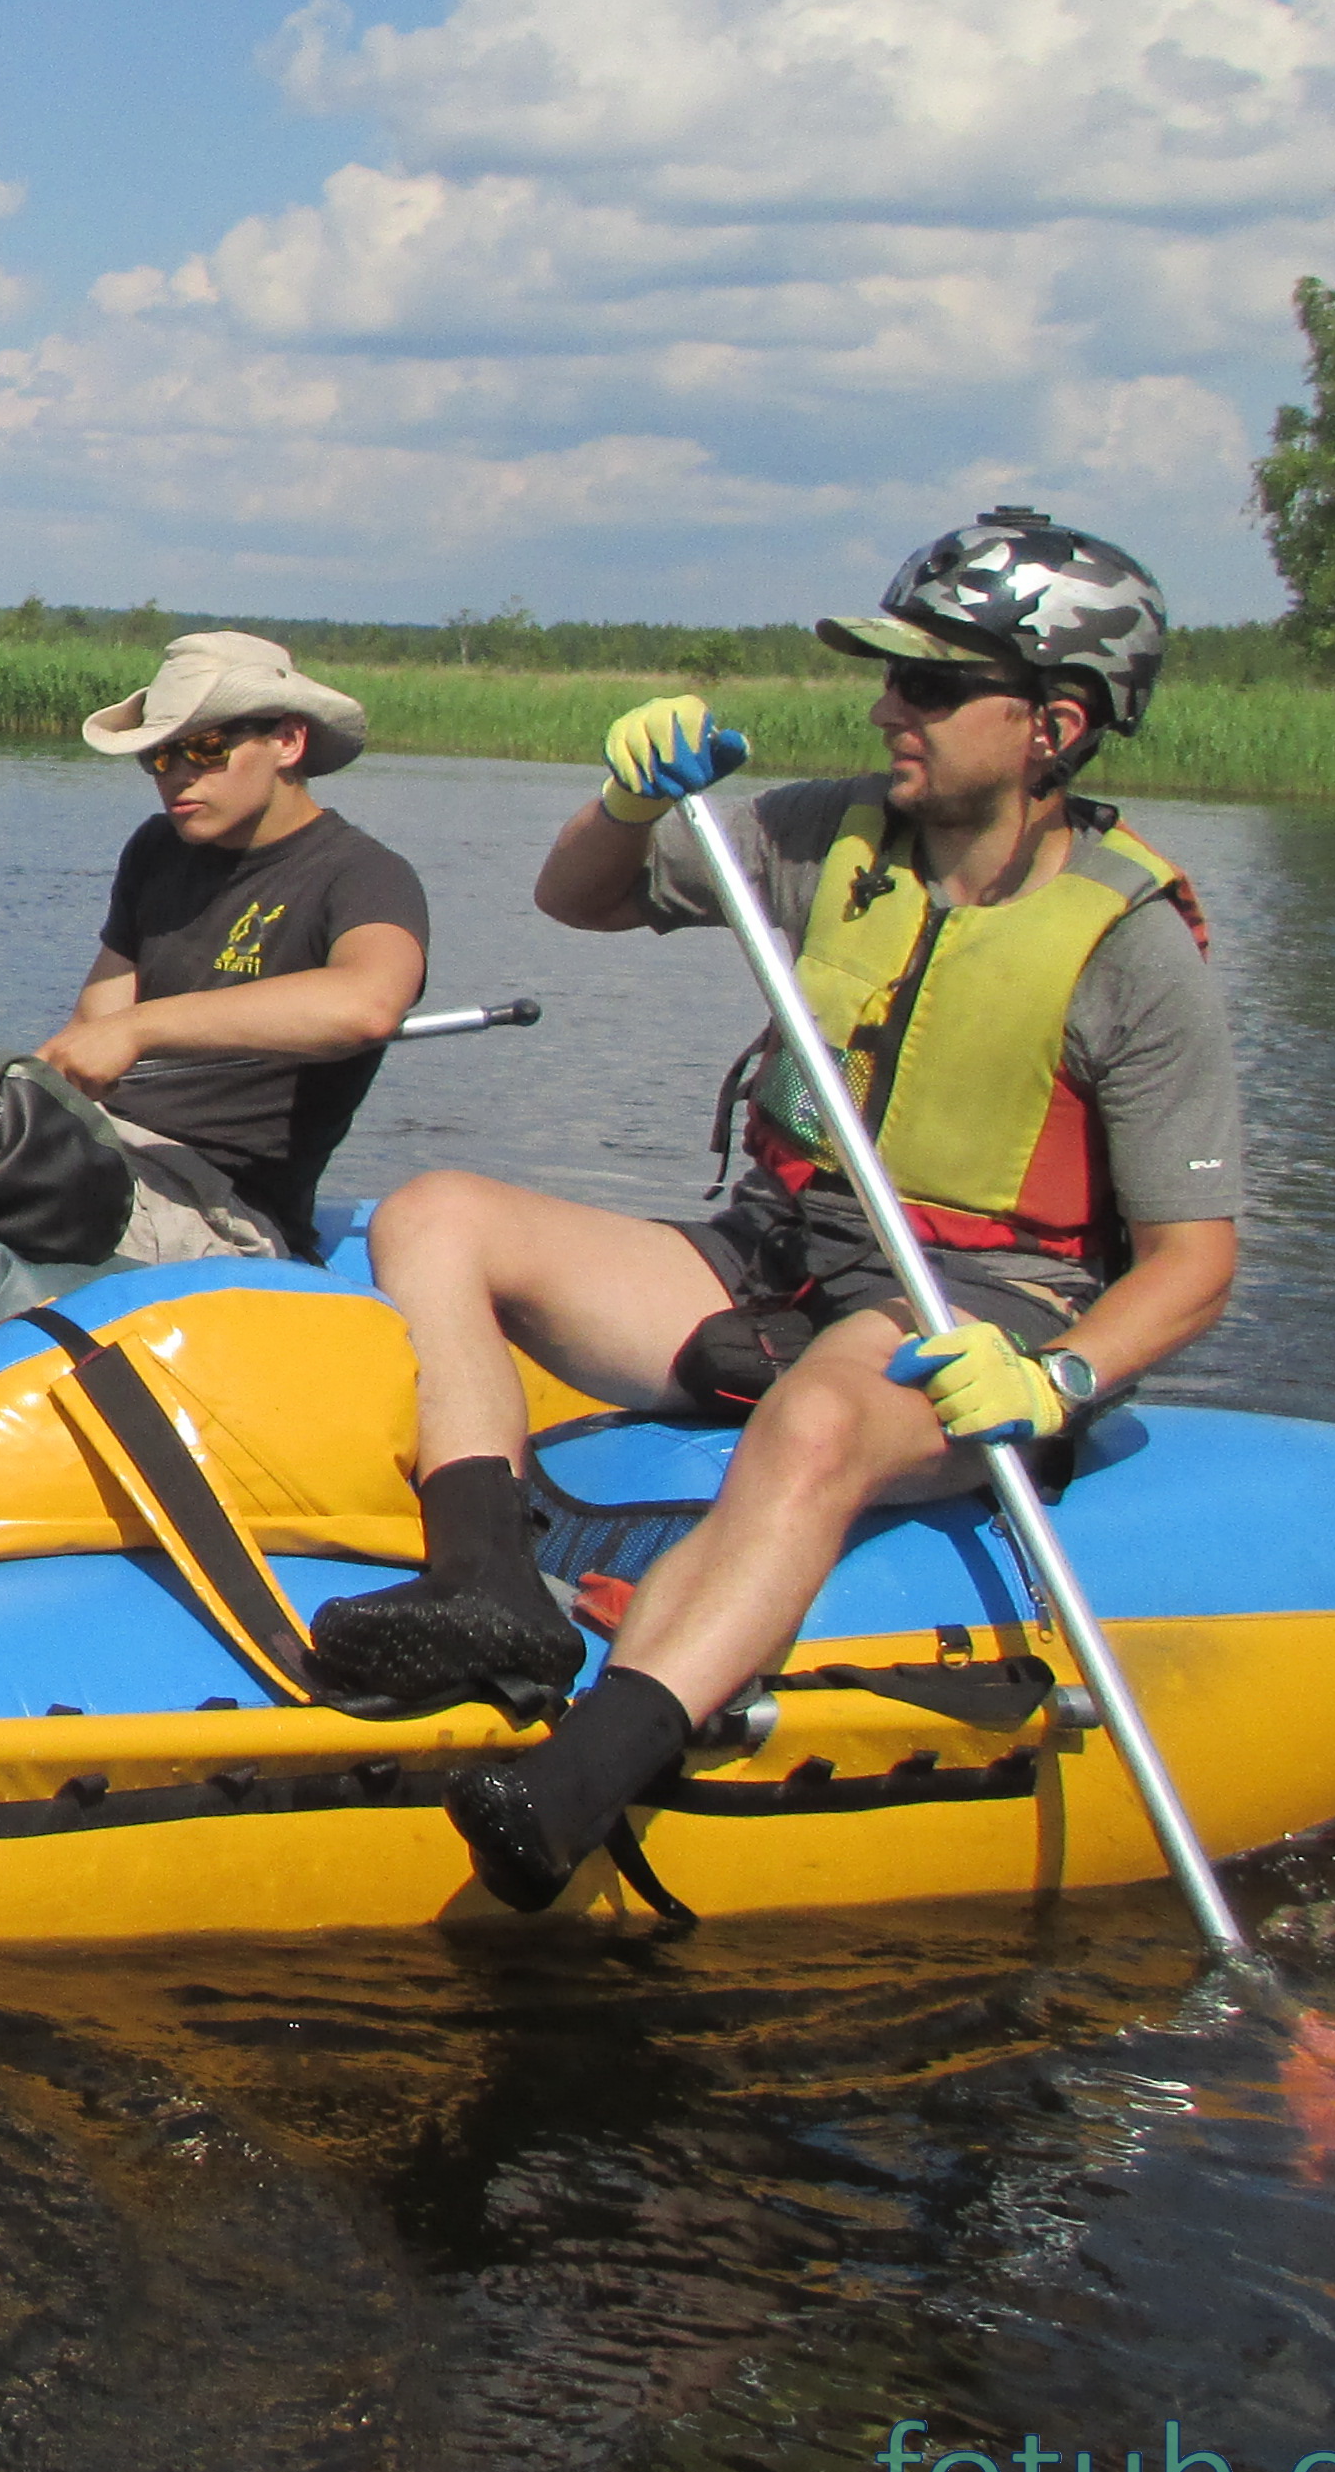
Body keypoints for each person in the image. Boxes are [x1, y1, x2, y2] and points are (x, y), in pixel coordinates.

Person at [331, 510, 1239, 1911]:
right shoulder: (826, 835)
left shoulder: (1129, 945)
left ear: (1053, 724)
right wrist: (628, 804)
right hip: (770, 1263)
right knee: (437, 1212)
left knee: (823, 1418)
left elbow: (1194, 1266)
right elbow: (577, 898)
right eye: (893, 681)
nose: (892, 710)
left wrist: (1056, 1381)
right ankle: (489, 1589)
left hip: (968, 1309)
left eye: (932, 687)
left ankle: (581, 1778)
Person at [36, 633, 429, 1261]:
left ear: (288, 741)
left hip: (226, 1211)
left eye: (206, 747)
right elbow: (91, 1034)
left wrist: (145, 1029)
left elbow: (369, 1004)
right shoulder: (155, 850)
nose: (178, 775)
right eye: (159, 757)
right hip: (109, 1148)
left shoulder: (365, 874)